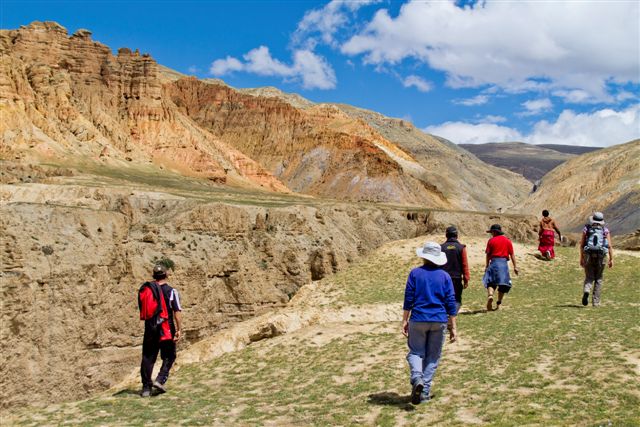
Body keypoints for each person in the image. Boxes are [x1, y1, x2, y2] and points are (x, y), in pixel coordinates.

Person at [402, 242, 457, 405]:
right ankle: (424, 392)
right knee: (433, 357)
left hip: (418, 318)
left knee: (416, 352)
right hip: (439, 319)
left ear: (424, 257)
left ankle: (417, 377)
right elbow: (450, 302)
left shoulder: (415, 273)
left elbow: (408, 298)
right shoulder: (445, 276)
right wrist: (453, 325)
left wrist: (405, 319)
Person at [138, 263, 183, 397]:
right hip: (166, 328)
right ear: (166, 275)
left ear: (154, 276)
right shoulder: (171, 291)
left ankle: (146, 387)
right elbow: (177, 311)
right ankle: (160, 379)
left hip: (150, 328)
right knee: (170, 355)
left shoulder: (148, 289)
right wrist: (179, 329)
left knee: (148, 357)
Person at [580, 212, 614, 307]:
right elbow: (610, 246)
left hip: (588, 255)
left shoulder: (586, 229)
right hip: (601, 256)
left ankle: (587, 290)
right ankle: (596, 302)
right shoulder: (605, 230)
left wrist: (581, 258)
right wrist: (611, 259)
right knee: (598, 278)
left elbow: (582, 245)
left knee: (589, 277)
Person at [482, 224, 518, 311]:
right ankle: (498, 304)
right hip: (503, 264)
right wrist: (515, 266)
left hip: (494, 263)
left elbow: (488, 255)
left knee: (490, 282)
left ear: (494, 232)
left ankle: (490, 295)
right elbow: (512, 254)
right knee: (503, 285)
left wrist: (487, 265)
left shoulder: (491, 241)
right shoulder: (507, 241)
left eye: (492, 232)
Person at [441, 226, 470, 313]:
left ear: (446, 235)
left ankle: (446, 315)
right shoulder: (461, 248)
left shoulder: (441, 248)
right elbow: (465, 264)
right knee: (457, 299)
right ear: (456, 235)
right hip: (456, 278)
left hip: (443, 278)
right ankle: (452, 316)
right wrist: (466, 279)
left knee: (444, 298)